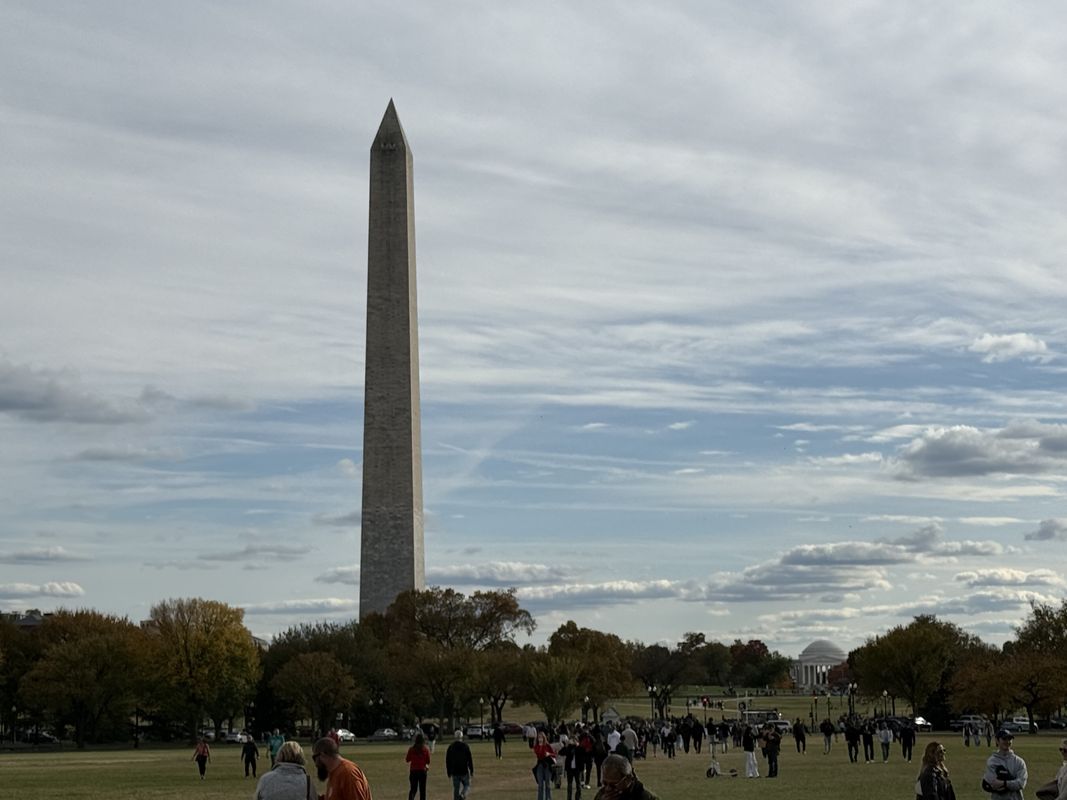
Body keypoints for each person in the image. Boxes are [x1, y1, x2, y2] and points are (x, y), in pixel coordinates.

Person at [982, 728, 1027, 800]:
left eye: (1009, 739)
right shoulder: (992, 761)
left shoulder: (1019, 761)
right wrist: (1012, 782)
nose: (1007, 741)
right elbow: (993, 784)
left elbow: (1021, 784)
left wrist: (1004, 783)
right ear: (997, 740)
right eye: (1004, 739)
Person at [593, 753, 659, 800]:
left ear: (628, 779)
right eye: (604, 783)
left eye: (613, 785)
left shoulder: (646, 797)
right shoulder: (601, 795)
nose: (607, 789)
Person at [445, 729, 474, 800]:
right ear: (461, 737)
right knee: (467, 785)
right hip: (464, 770)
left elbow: (448, 760)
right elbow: (469, 759)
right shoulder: (465, 746)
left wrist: (448, 771)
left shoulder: (451, 747)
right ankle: (463, 794)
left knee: (456, 788)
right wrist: (471, 769)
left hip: (454, 771)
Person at [405, 732, 431, 800]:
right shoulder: (425, 750)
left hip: (413, 771)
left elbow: (407, 759)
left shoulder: (412, 749)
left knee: (413, 789)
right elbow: (428, 761)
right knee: (422, 790)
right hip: (422, 771)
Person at [534, 730, 557, 800]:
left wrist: (549, 754)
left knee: (548, 784)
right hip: (540, 765)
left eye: (541, 737)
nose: (540, 739)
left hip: (547, 765)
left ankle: (548, 798)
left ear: (544, 738)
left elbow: (554, 755)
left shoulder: (547, 745)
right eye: (539, 737)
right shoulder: (536, 746)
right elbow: (539, 754)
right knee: (540, 785)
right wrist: (541, 746)